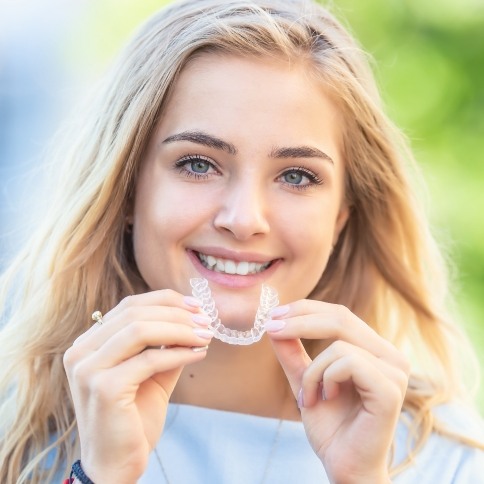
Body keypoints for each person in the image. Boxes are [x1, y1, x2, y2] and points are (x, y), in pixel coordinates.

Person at [1, 0, 483, 482]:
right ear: (126, 191)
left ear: (340, 218)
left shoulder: (453, 462)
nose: (244, 219)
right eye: (197, 164)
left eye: (296, 176)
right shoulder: (17, 444)